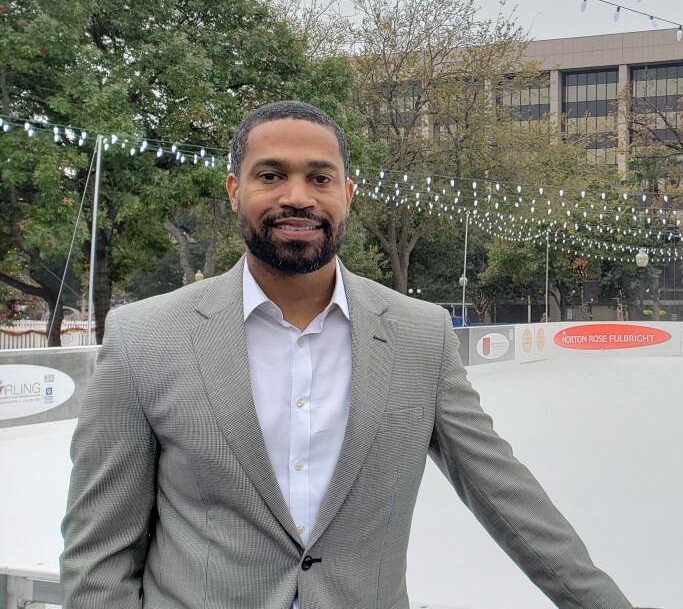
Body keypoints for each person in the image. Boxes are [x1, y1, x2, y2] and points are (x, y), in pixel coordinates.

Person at [61, 101, 636, 609]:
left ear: (346, 194)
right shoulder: (145, 337)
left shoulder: (420, 335)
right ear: (235, 189)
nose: (297, 197)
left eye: (319, 177)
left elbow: (508, 498)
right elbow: (99, 554)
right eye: (271, 175)